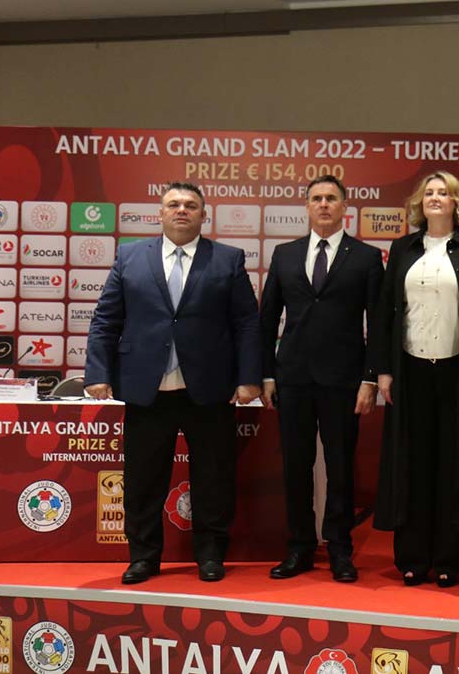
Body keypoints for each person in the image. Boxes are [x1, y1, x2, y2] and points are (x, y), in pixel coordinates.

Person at [85, 181, 261, 584]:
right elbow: (106, 319)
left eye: (191, 205)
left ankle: (210, 555)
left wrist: (249, 377)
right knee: (143, 480)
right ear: (160, 214)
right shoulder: (130, 256)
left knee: (213, 479)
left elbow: (246, 324)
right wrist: (97, 372)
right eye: (174, 204)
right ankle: (144, 558)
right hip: (147, 390)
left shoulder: (228, 259)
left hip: (209, 389)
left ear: (204, 215)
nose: (182, 210)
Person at [259, 174, 384, 583]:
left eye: (332, 198)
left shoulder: (366, 257)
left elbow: (378, 324)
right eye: (317, 198)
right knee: (295, 466)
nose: (324, 205)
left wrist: (369, 379)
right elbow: (266, 320)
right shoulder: (285, 254)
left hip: (344, 380)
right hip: (292, 378)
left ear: (345, 207)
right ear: (307, 206)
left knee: (340, 466)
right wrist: (266, 374)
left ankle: (340, 549)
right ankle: (298, 547)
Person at [371, 171, 459, 588]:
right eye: (429, 193)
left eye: (444, 193)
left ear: (456, 202)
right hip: (410, 370)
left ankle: (449, 559)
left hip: (458, 372)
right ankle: (412, 557)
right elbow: (386, 311)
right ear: (420, 203)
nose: (435, 198)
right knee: (413, 462)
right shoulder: (402, 247)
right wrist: (383, 370)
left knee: (453, 463)